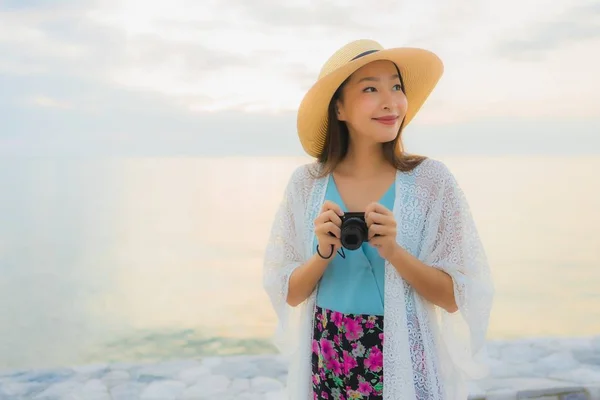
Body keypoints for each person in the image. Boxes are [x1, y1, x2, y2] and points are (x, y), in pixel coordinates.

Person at [262, 39, 494, 400]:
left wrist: (394, 251)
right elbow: (290, 294)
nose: (391, 101)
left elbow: (454, 298)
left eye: (396, 86)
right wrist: (323, 252)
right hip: (329, 355)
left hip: (402, 350)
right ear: (338, 108)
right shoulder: (307, 184)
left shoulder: (431, 181)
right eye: (370, 88)